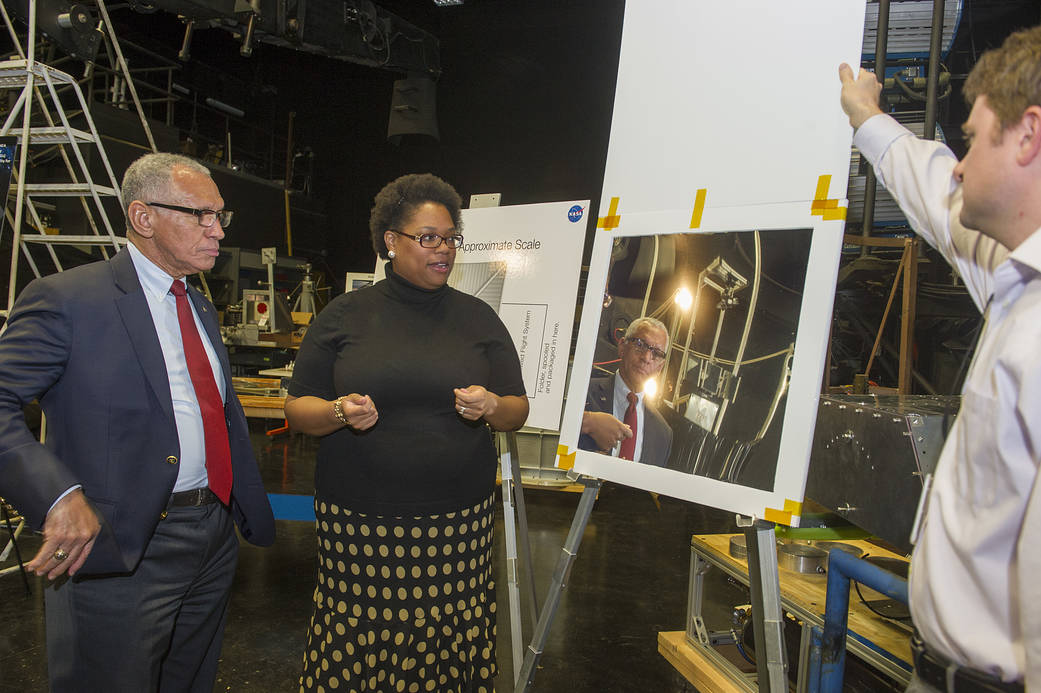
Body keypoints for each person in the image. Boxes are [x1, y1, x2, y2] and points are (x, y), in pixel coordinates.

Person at [0, 152, 275, 691]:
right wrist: (57, 496)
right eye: (200, 215)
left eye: (221, 216)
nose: (217, 231)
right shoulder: (69, 300)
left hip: (212, 537)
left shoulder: (199, 305)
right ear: (143, 218)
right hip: (121, 544)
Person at [838, 25, 1041, 693]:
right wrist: (866, 118)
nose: (957, 162)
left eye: (974, 137)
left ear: (1026, 136)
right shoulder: (1014, 278)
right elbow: (937, 200)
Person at [284, 172, 529, 693]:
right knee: (358, 636)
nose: (443, 249)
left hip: (456, 525)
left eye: (450, 238)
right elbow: (298, 409)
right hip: (359, 524)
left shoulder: (478, 318)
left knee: (446, 638)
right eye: (428, 238)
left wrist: (489, 405)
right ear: (391, 241)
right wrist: (338, 412)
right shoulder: (344, 315)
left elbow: (517, 410)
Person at [579, 316, 672, 466]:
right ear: (622, 346)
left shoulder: (663, 434)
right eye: (641, 344)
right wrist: (587, 421)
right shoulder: (583, 392)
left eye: (656, 354)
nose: (647, 358)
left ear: (660, 368)